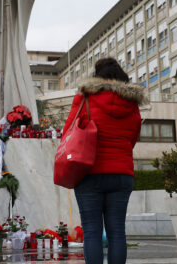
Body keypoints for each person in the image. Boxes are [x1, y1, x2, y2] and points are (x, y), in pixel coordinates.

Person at [62, 57, 146, 264]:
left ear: (97, 76)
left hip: (89, 173)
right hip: (121, 174)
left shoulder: (84, 99)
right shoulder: (132, 104)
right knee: (117, 231)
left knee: (91, 231)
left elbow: (68, 133)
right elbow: (132, 138)